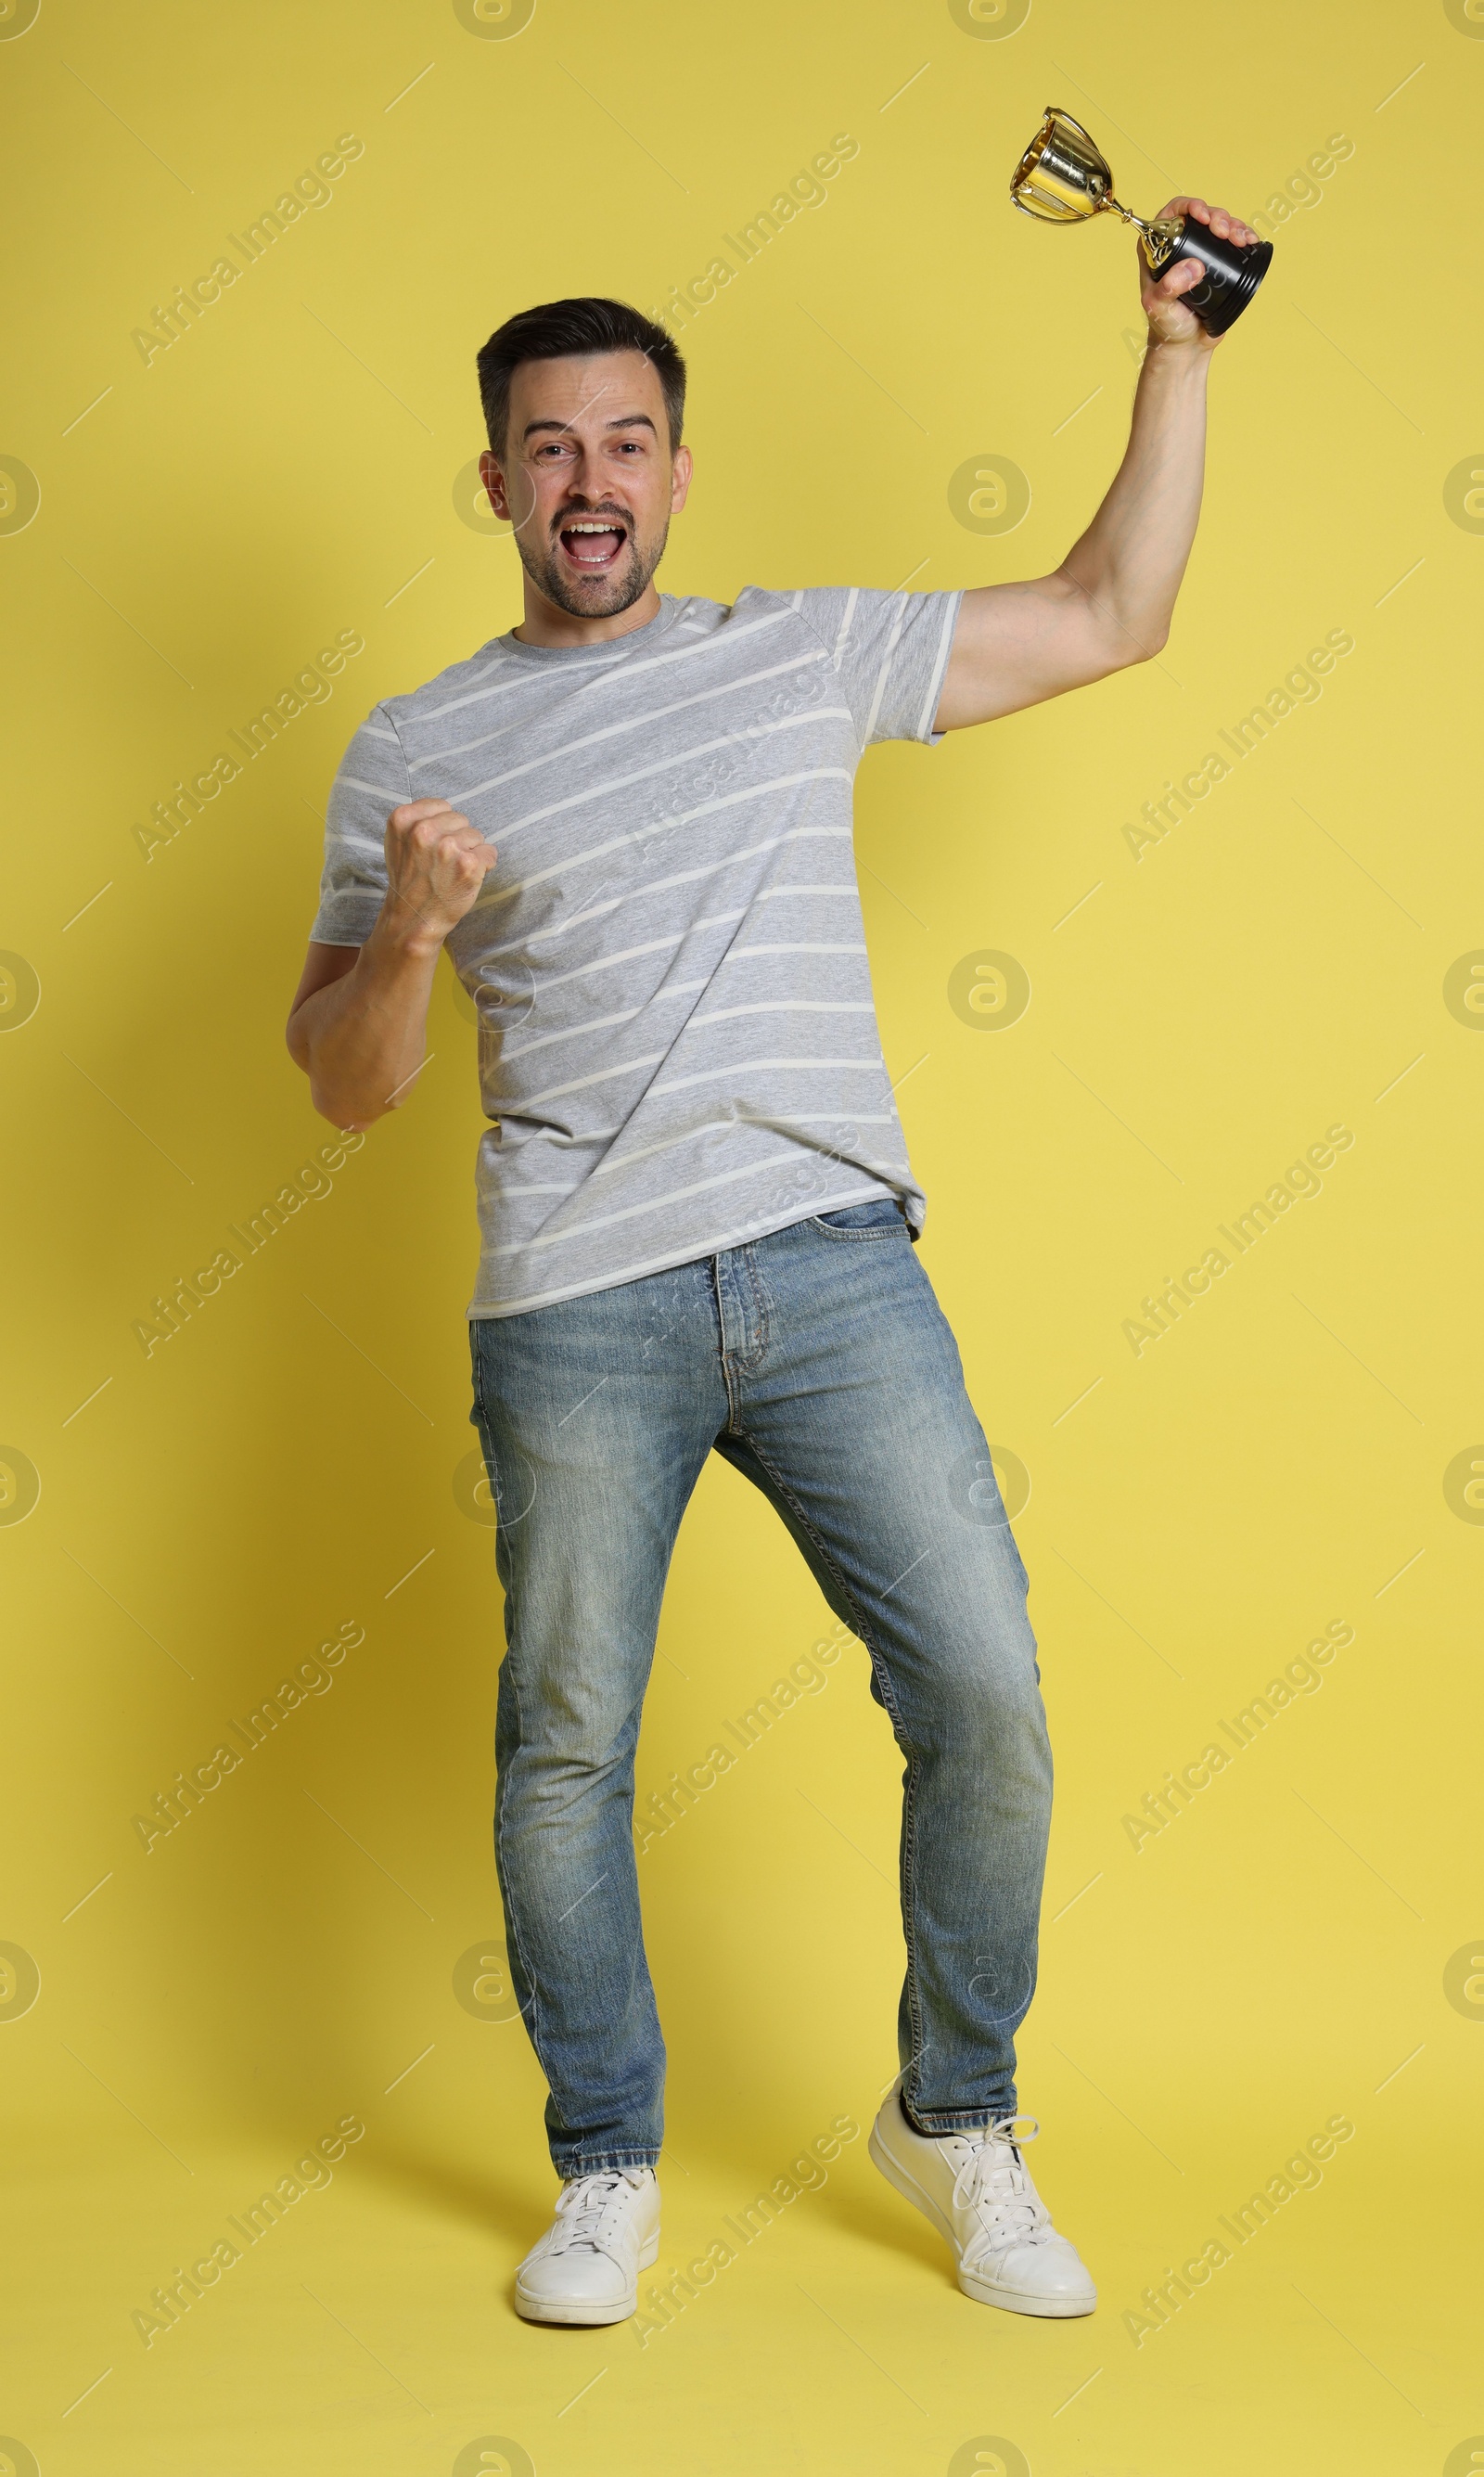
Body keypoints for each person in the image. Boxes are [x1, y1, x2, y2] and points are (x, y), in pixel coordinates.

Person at [287, 200, 1256, 2328]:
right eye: (547, 450)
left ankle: (956, 2116)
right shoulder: (411, 754)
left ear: (675, 470)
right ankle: (606, 2164)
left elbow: (1109, 612)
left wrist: (1177, 353)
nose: (590, 485)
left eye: (625, 443)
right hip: (574, 1302)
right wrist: (422, 932)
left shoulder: (790, 652)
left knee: (984, 1698)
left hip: (826, 1266)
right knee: (564, 1745)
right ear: (493, 483)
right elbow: (347, 1087)